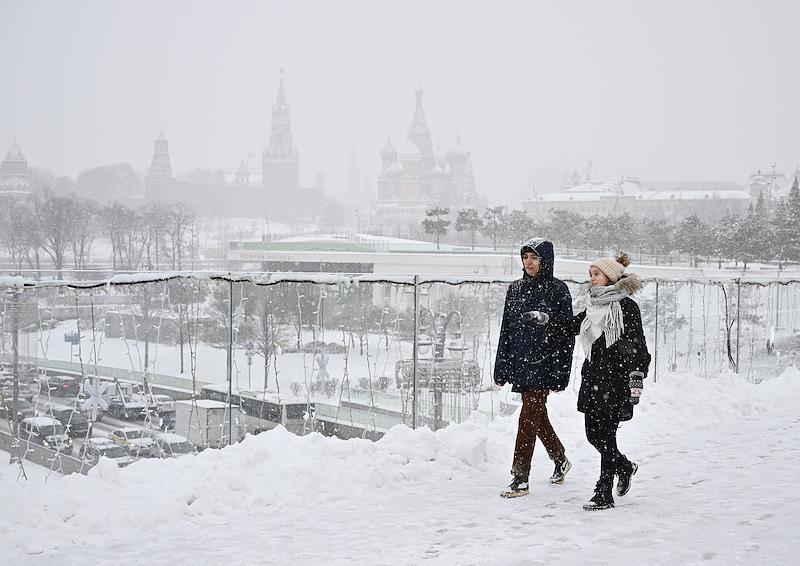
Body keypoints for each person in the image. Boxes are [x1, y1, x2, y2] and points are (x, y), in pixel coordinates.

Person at [494, 238, 576, 498]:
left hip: (544, 365)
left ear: (546, 260)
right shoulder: (515, 289)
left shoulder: (558, 290)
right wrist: (502, 367)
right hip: (521, 363)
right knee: (537, 416)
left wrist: (561, 372)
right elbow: (507, 330)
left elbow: (566, 336)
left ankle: (520, 478)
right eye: (525, 257)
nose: (529, 262)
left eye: (535, 257)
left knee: (528, 417)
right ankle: (560, 459)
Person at [572, 252, 651, 511]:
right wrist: (547, 322)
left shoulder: (626, 307)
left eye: (596, 274)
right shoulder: (592, 306)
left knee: (606, 436)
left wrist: (636, 377)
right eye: (590, 275)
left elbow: (639, 346)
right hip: (593, 377)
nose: (592, 279)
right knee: (592, 435)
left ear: (610, 277)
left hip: (615, 381)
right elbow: (572, 326)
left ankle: (604, 490)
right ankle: (624, 466)